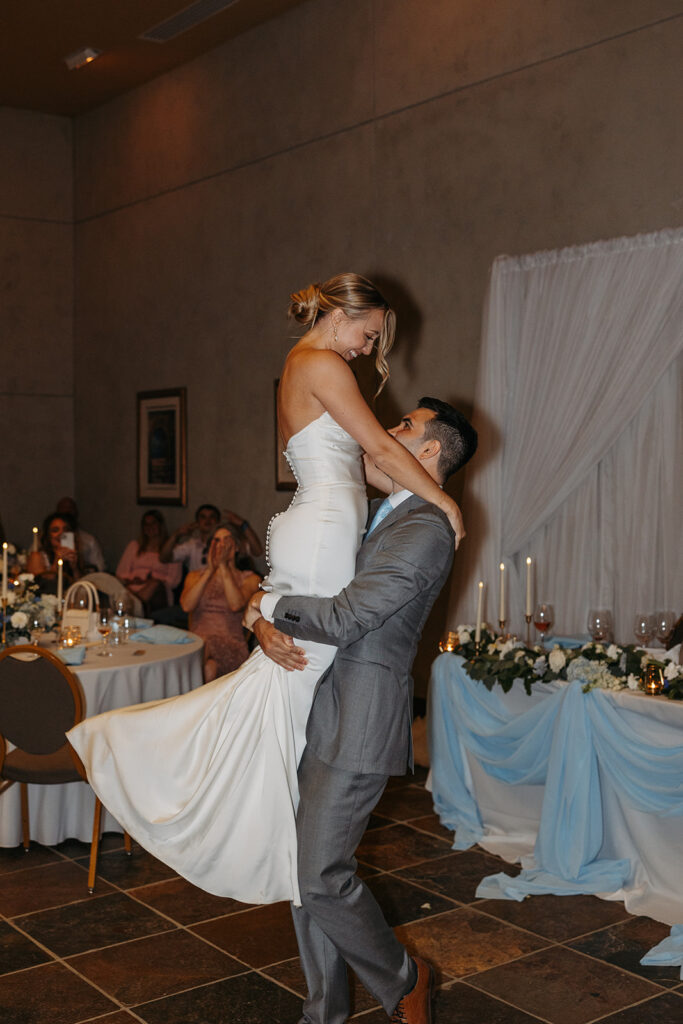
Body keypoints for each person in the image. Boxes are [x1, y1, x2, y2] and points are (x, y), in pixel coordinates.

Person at [67, 272, 464, 907]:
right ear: (339, 317)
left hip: (321, 519)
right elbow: (380, 451)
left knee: (286, 674)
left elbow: (364, 459)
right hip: (328, 522)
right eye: (367, 335)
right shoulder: (322, 362)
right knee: (307, 657)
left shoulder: (302, 365)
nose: (366, 350)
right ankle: (253, 823)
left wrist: (258, 612)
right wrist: (445, 501)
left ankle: (283, 838)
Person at [245, 397, 478, 1024]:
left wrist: (268, 606)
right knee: (304, 874)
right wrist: (261, 617)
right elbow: (313, 590)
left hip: (361, 716)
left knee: (321, 874)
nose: (382, 433)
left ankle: (406, 981)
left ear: (427, 453)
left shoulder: (426, 528)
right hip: (314, 702)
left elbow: (347, 618)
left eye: (402, 427)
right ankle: (323, 1012)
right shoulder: (378, 514)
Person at [180, 523, 261, 682]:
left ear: (236, 546)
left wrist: (223, 567)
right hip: (198, 643)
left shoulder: (250, 578)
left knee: (205, 651)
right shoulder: (195, 576)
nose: (221, 545)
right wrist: (210, 570)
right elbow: (186, 606)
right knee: (209, 668)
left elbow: (235, 604)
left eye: (227, 540)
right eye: (216, 541)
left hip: (230, 644)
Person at [116, 509, 181, 612]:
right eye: (146, 524)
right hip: (132, 587)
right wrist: (132, 580)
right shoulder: (134, 546)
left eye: (153, 523)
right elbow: (120, 573)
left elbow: (174, 581)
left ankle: (136, 606)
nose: (149, 527)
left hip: (157, 591)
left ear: (160, 525)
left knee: (154, 584)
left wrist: (148, 581)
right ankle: (132, 603)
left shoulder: (172, 549)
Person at [27, 512, 85, 590]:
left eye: (66, 529)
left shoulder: (75, 554)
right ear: (48, 536)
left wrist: (75, 568)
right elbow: (38, 587)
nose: (61, 533)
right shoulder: (37, 556)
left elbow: (81, 589)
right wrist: (56, 562)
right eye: (55, 530)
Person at [55, 496, 105, 572]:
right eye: (63, 508)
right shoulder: (42, 541)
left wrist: (75, 567)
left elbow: (99, 568)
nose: (67, 511)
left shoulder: (89, 540)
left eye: (70, 508)